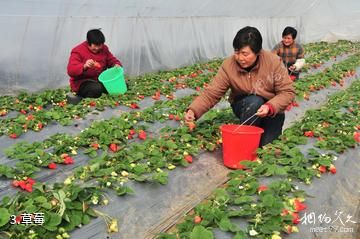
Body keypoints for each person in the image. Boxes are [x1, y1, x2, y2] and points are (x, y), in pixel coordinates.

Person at [184, 26, 295, 147]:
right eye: (237, 52)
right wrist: (193, 111)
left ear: (257, 52)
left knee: (266, 146)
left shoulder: (273, 62)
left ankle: (258, 134)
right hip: (244, 105)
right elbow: (212, 93)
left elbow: (287, 92)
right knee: (254, 103)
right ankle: (243, 141)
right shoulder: (229, 65)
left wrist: (270, 106)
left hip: (270, 110)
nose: (240, 58)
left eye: (245, 54)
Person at [67, 29, 122, 99]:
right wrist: (84, 66)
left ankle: (102, 90)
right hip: (82, 82)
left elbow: (111, 60)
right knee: (96, 89)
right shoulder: (78, 51)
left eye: (100, 45)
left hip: (100, 80)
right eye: (95, 45)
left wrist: (116, 65)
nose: (98, 48)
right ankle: (84, 99)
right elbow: (71, 70)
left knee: (120, 86)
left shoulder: (104, 49)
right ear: (88, 43)